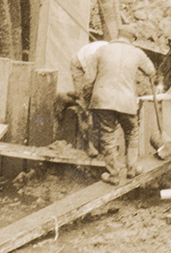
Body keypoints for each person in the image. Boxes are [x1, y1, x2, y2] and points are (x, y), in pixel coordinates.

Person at [69, 29, 161, 184]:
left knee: (108, 136)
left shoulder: (101, 50)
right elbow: (151, 71)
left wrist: (87, 100)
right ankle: (132, 169)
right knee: (132, 133)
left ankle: (114, 174)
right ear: (132, 39)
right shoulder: (137, 52)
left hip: (103, 101)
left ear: (117, 37)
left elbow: (89, 79)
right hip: (126, 101)